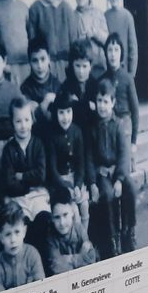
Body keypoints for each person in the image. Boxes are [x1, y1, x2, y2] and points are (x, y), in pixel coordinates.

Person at [89, 79, 136, 257]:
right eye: (99, 101)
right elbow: (89, 157)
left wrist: (120, 179)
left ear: (113, 103)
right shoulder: (92, 128)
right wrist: (93, 181)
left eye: (106, 102)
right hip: (102, 173)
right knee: (107, 196)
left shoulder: (118, 125)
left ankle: (128, 230)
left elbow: (124, 154)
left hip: (117, 172)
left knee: (130, 189)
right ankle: (113, 236)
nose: (102, 106)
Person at [1, 97, 50, 234]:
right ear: (12, 122)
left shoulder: (38, 144)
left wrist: (21, 176)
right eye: (18, 121)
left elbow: (41, 175)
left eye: (26, 120)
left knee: (44, 220)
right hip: (18, 198)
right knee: (22, 225)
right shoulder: (8, 149)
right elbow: (9, 181)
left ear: (33, 120)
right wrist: (28, 183)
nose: (23, 126)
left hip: (38, 194)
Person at [46, 92, 92, 230]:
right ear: (56, 114)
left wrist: (78, 184)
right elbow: (52, 169)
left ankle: (85, 237)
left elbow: (80, 163)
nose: (65, 117)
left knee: (84, 205)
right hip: (59, 182)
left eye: (68, 112)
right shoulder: (52, 135)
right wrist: (66, 187)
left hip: (75, 179)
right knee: (74, 210)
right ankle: (76, 239)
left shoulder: (77, 132)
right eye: (61, 113)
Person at [27, 0, 78, 81]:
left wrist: (73, 62)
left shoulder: (66, 8)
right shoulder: (35, 8)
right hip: (45, 65)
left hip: (66, 64)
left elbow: (74, 40)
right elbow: (33, 40)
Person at [0, 207, 45, 293]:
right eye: (8, 234)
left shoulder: (32, 254)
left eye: (17, 232)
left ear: (24, 231)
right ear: (1, 238)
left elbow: (41, 287)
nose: (13, 240)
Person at [43, 191, 98, 276]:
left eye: (65, 215)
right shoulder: (51, 238)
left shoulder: (79, 228)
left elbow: (91, 257)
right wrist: (80, 256)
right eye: (57, 217)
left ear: (72, 212)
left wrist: (67, 260)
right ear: (52, 219)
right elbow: (56, 267)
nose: (62, 222)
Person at [99, 34, 138, 149]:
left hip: (125, 126)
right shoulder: (102, 79)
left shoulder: (127, 78)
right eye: (110, 50)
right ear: (105, 53)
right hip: (108, 127)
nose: (113, 54)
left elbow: (135, 110)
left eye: (116, 50)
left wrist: (133, 142)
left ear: (121, 53)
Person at [21, 37, 62, 134]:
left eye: (43, 59)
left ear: (49, 59)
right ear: (29, 62)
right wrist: (45, 103)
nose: (40, 65)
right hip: (36, 135)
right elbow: (29, 119)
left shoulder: (57, 84)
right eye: (35, 60)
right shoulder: (25, 88)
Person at [72, 0, 108, 73]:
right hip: (81, 69)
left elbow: (107, 40)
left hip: (99, 67)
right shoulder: (72, 16)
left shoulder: (98, 13)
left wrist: (95, 33)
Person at [103, 0, 138, 77]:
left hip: (124, 71)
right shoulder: (104, 16)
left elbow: (133, 49)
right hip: (108, 71)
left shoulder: (127, 16)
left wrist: (131, 74)